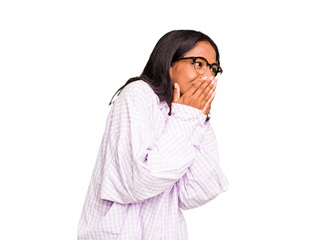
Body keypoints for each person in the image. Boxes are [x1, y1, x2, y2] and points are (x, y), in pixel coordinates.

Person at [77, 29, 228, 240]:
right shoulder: (138, 94)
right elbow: (138, 182)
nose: (207, 76)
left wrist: (194, 117)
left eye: (213, 68)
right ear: (170, 63)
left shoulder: (192, 116)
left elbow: (195, 192)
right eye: (199, 63)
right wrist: (186, 118)